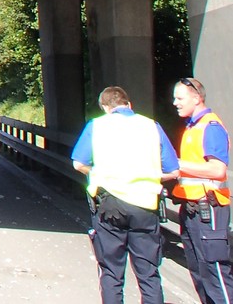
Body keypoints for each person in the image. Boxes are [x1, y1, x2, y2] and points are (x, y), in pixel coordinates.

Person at [71, 86, 180, 303]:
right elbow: (173, 170)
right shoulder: (151, 126)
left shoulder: (97, 126)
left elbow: (79, 163)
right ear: (129, 105)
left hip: (110, 206)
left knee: (111, 272)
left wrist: (98, 173)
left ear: (105, 107)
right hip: (145, 206)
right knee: (148, 275)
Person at [172, 77, 233, 304]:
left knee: (215, 273)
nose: (175, 103)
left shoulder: (210, 126)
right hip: (192, 209)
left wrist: (176, 164)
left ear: (196, 98)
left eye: (179, 98)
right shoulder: (192, 127)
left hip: (209, 209)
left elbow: (218, 170)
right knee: (199, 272)